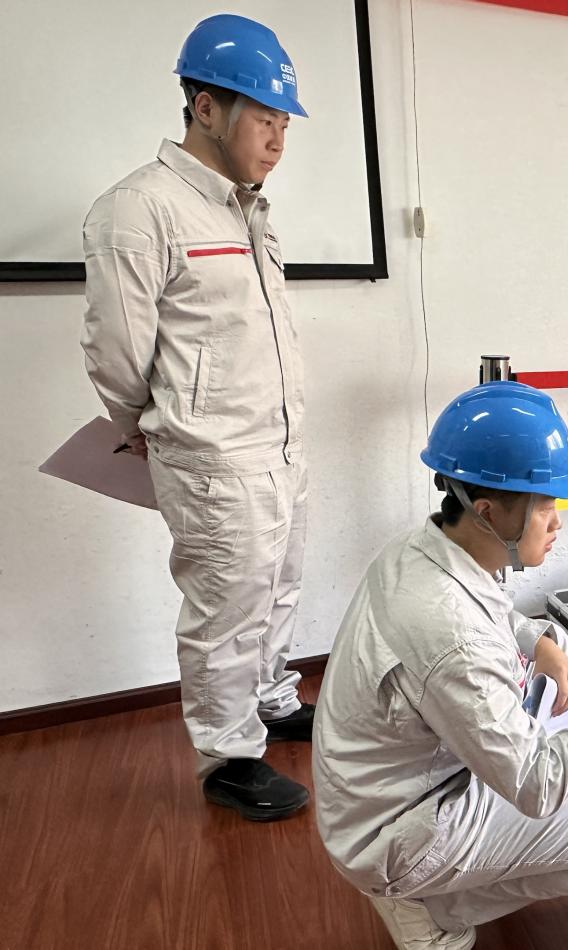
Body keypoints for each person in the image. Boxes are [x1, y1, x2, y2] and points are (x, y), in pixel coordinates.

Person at [313, 381, 568, 949]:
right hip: (398, 832)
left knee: (560, 658)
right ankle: (433, 907)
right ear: (488, 512)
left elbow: (484, 612)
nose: (558, 522)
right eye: (545, 506)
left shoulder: (419, 551)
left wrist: (537, 640)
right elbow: (537, 787)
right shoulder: (453, 638)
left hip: (376, 791)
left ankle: (435, 885)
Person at [80, 14, 313, 821]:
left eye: (285, 122)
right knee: (225, 609)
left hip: (281, 444)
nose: (277, 139)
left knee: (277, 588)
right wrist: (157, 428)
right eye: (263, 117)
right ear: (205, 108)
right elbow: (116, 353)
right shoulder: (138, 210)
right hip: (213, 457)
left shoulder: (248, 209)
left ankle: (271, 702)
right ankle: (229, 758)